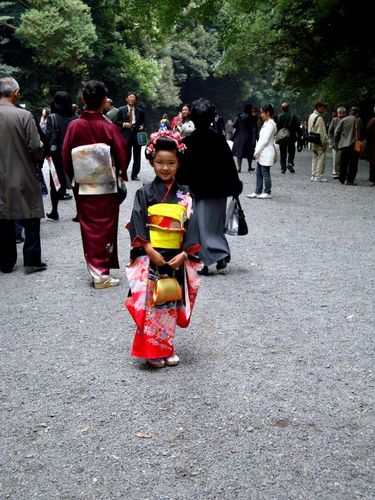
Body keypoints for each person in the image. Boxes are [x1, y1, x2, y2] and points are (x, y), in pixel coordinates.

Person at [125, 130, 202, 369]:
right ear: (151, 162)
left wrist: (185, 253)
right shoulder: (144, 192)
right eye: (160, 162)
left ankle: (166, 347)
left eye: (171, 163)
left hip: (175, 256)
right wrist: (148, 248)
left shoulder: (185, 194)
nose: (165, 168)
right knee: (152, 302)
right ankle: (151, 350)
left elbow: (192, 224)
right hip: (153, 255)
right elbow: (137, 219)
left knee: (169, 300)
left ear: (178, 163)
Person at [62, 80, 128, 288]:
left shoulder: (74, 127)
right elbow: (122, 154)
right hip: (106, 186)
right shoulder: (108, 127)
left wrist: (74, 176)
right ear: (103, 102)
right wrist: (120, 172)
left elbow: (65, 157)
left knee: (89, 226)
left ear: (83, 100)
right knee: (106, 227)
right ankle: (102, 273)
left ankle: (96, 269)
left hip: (83, 185)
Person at [177, 98, 242, 276]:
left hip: (198, 190)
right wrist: (235, 186)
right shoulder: (219, 140)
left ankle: (203, 259)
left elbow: (182, 169)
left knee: (200, 225)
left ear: (193, 119)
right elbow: (229, 166)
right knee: (216, 224)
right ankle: (220, 253)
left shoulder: (189, 142)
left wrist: (180, 185)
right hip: (219, 189)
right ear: (212, 118)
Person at [0, 76, 46, 274]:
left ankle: (6, 261)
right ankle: (32, 259)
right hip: (22, 171)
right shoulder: (24, 115)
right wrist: (36, 159)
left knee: (3, 218)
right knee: (31, 214)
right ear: (15, 93)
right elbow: (36, 146)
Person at [44, 91, 77, 220]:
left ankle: (54, 211)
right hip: (74, 154)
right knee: (76, 183)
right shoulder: (76, 118)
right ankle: (79, 212)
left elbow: (48, 138)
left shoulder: (52, 118)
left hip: (57, 155)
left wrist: (46, 154)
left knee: (55, 183)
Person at [247, 104, 277, 200]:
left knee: (265, 173)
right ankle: (258, 191)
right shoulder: (266, 123)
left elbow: (265, 140)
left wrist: (256, 151)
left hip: (267, 152)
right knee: (258, 173)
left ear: (267, 113)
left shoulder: (271, 124)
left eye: (262, 112)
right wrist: (257, 151)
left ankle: (267, 192)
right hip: (262, 152)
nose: (261, 114)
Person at [116, 91, 145, 181]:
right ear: (126, 99)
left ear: (135, 100)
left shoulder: (140, 111)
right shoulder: (121, 109)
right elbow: (116, 121)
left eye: (133, 97)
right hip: (126, 134)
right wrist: (124, 124)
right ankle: (123, 172)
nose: (132, 99)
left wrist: (142, 126)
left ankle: (134, 175)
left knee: (137, 155)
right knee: (126, 155)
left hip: (136, 134)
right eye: (130, 97)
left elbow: (143, 122)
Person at [334, 106, 363, 186]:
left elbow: (336, 133)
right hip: (355, 145)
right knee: (353, 164)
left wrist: (337, 143)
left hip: (344, 145)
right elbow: (361, 133)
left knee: (343, 162)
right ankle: (350, 180)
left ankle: (342, 179)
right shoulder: (358, 120)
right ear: (357, 114)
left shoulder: (343, 120)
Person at [232, 103, 258, 172]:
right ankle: (249, 167)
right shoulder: (252, 118)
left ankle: (239, 168)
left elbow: (234, 125)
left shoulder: (239, 116)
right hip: (249, 137)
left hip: (239, 137)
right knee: (250, 152)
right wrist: (255, 138)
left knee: (239, 153)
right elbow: (254, 129)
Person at [276, 102, 301, 174]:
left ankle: (283, 168)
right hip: (292, 136)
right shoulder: (293, 116)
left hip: (282, 137)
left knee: (283, 152)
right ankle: (290, 163)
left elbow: (277, 127)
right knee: (292, 151)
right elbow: (298, 126)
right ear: (288, 108)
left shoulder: (279, 116)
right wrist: (299, 137)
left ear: (281, 108)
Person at [308, 100, 328, 182]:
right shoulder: (319, 118)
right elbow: (321, 132)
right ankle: (319, 176)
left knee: (314, 158)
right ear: (319, 107)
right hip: (318, 141)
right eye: (323, 107)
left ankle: (313, 175)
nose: (324, 109)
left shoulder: (311, 116)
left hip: (312, 140)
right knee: (320, 158)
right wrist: (323, 143)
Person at [328, 106, 346, 179]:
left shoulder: (347, 120)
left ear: (345, 113)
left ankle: (343, 173)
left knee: (344, 159)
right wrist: (332, 140)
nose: (341, 115)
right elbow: (330, 131)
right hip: (336, 142)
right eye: (339, 113)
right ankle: (335, 173)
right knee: (336, 159)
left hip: (345, 142)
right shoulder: (334, 120)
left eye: (342, 113)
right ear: (337, 113)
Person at [366, 106, 375, 187]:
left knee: (373, 162)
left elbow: (368, 132)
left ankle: (373, 180)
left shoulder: (372, 121)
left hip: (373, 146)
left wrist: (368, 146)